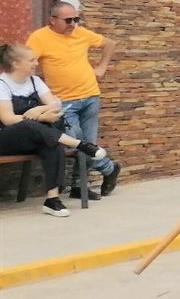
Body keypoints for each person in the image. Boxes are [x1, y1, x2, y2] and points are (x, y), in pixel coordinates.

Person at [0, 43, 113, 217]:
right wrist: (40, 116)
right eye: (32, 60)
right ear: (16, 63)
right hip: (7, 139)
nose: (36, 63)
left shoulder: (35, 81)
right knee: (30, 126)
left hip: (36, 136)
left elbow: (55, 105)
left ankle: (52, 200)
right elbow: (8, 119)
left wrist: (38, 111)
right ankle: (80, 144)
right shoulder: (2, 85)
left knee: (51, 144)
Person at [27, 3, 120, 196]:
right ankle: (109, 168)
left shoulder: (82, 33)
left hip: (91, 96)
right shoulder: (39, 37)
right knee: (81, 143)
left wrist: (101, 68)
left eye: (76, 19)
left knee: (89, 142)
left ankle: (79, 187)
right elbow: (27, 63)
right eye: (68, 20)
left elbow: (109, 44)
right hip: (63, 102)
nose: (73, 24)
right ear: (52, 20)